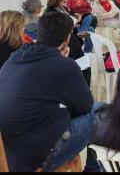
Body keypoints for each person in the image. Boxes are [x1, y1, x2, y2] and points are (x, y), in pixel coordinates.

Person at [0, 12, 105, 172]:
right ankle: (94, 167)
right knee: (100, 112)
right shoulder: (64, 65)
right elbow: (85, 106)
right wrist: (65, 62)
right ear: (67, 38)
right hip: (35, 159)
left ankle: (92, 166)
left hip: (10, 154)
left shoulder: (13, 59)